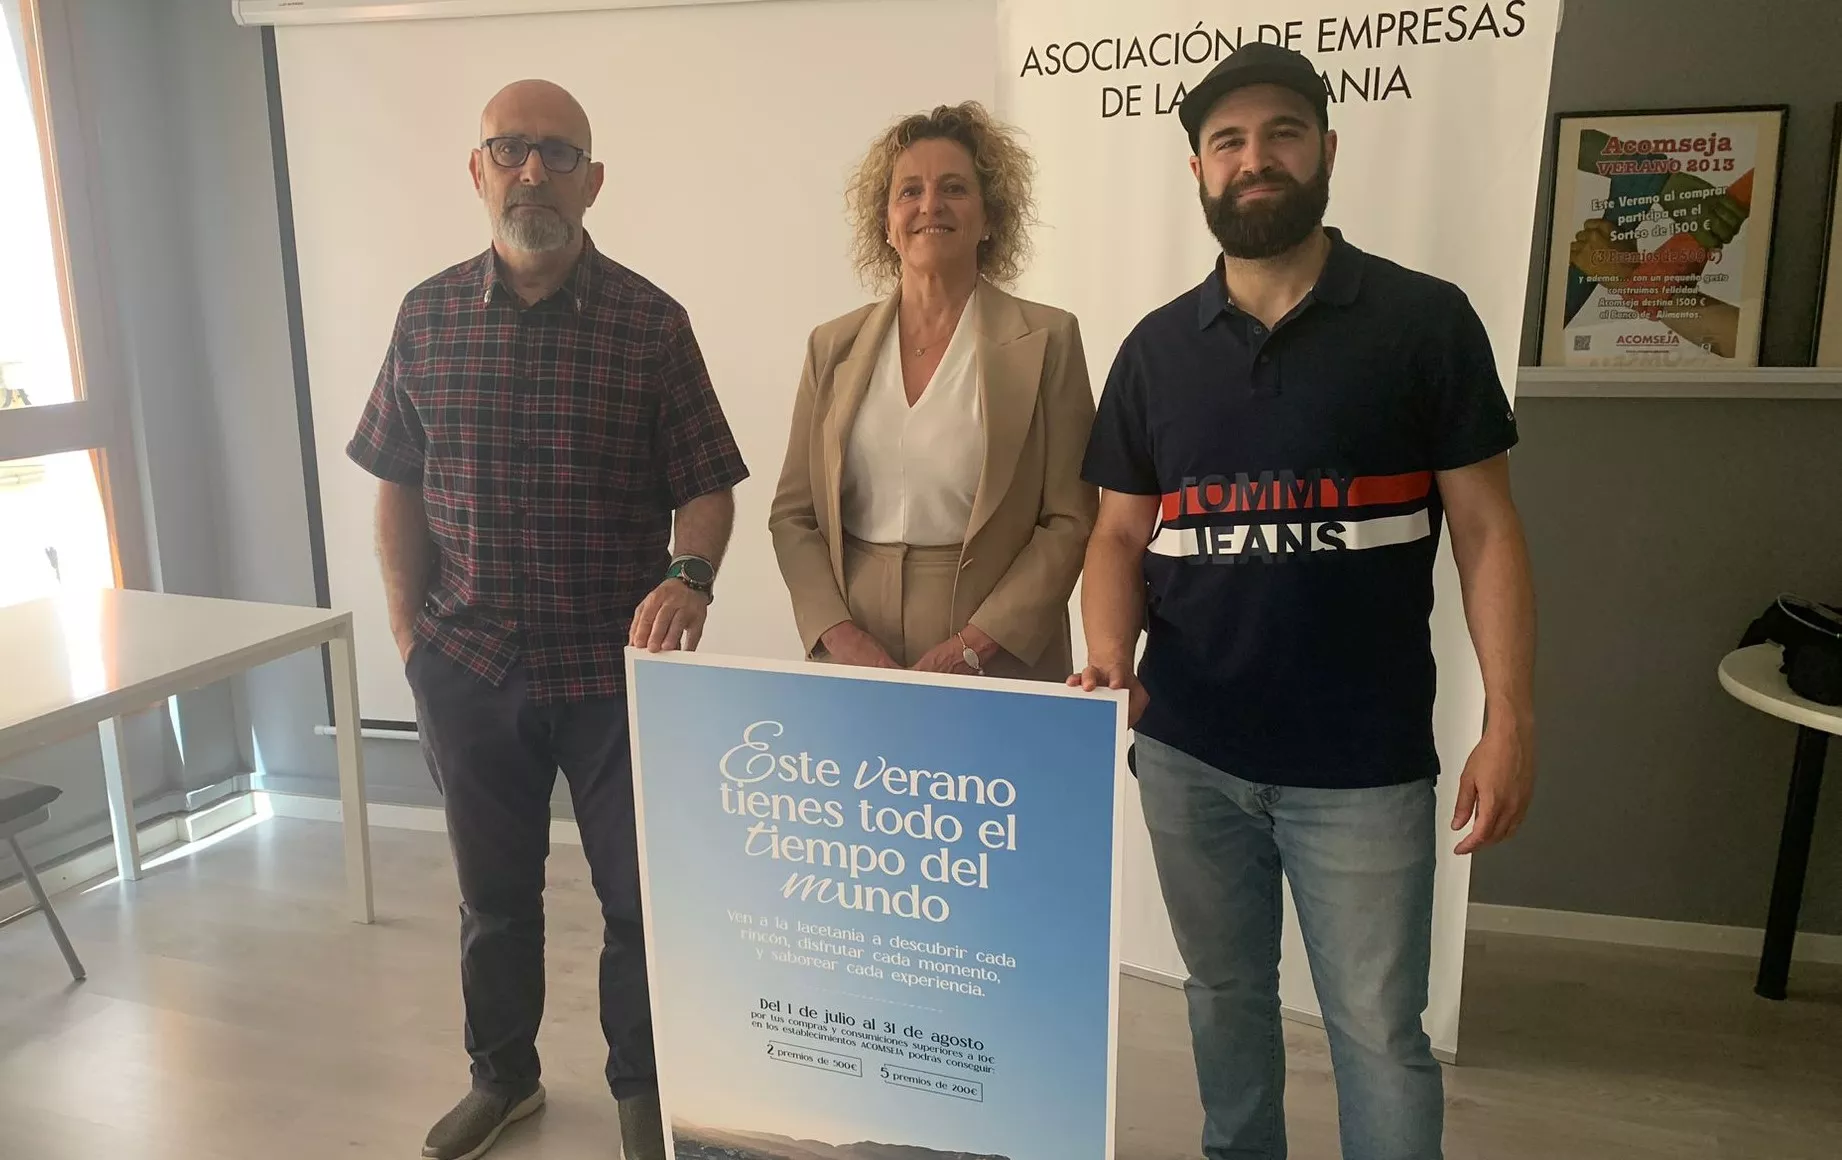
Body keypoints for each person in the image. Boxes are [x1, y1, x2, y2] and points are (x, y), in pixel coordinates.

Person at [1073, 43, 1537, 1160]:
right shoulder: (1154, 351)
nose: (1255, 158)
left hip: (1364, 765)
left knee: (1378, 1032)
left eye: (1281, 132)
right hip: (1189, 754)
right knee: (1223, 1000)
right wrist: (1110, 660)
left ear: (1327, 148)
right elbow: (1117, 534)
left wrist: (1511, 717)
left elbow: (1486, 528)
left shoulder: (1424, 322)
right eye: (1228, 141)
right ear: (1198, 169)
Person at [346, 79, 748, 1160]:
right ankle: (504, 1078)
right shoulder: (425, 317)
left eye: (559, 153)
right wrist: (411, 641)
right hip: (469, 665)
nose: (534, 171)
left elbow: (707, 486)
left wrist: (690, 577)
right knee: (493, 899)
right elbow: (395, 481)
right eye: (511, 149)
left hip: (615, 676)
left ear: (593, 180)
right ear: (477, 171)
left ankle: (644, 1093)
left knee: (640, 901)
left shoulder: (652, 325)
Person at [770, 102, 1096, 681]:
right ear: (886, 223)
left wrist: (975, 645)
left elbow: (1070, 518)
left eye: (954, 188)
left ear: (990, 216)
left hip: (998, 645)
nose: (930, 205)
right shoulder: (831, 346)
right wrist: (838, 634)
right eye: (909, 192)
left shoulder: (1051, 339)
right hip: (855, 643)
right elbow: (794, 516)